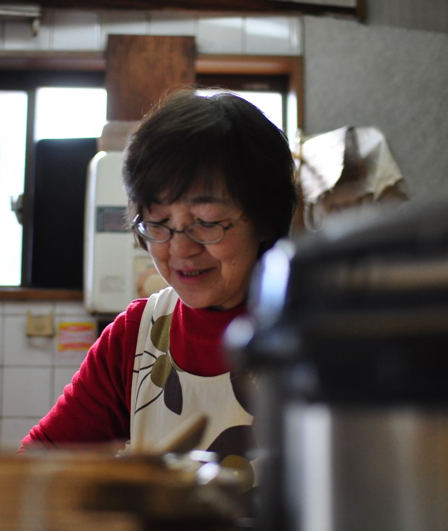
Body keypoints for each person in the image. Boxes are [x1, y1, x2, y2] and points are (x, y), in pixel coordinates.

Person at [21, 90, 297, 477]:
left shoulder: (317, 331)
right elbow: (40, 463)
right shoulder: (136, 337)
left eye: (207, 222)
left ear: (266, 219)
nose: (180, 249)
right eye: (158, 224)